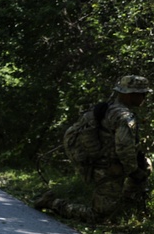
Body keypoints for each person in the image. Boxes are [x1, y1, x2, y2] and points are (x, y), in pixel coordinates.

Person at [35, 75, 152, 223]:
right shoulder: (124, 117)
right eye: (143, 94)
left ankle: (124, 206)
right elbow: (124, 148)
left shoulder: (109, 108)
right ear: (130, 95)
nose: (144, 97)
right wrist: (134, 171)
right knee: (98, 217)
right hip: (106, 168)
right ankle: (54, 203)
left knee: (146, 165)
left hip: (98, 162)